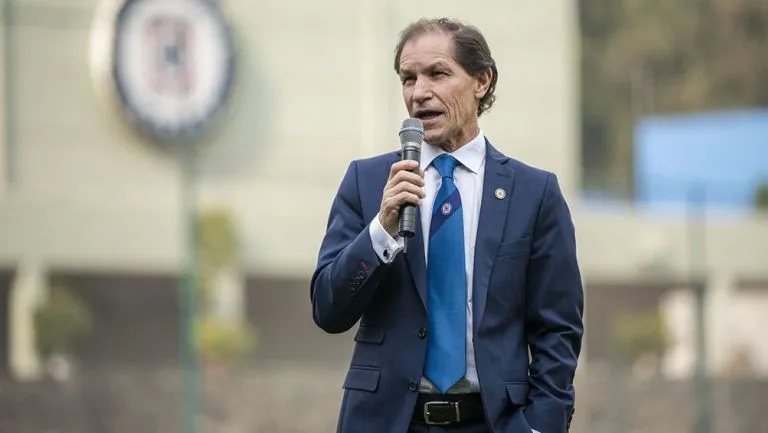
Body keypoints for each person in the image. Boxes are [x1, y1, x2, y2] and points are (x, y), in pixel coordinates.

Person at [310, 17, 583, 433]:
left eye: (437, 73)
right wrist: (381, 231)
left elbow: (557, 330)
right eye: (408, 78)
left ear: (482, 81)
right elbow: (328, 310)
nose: (419, 92)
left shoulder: (535, 193)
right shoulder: (367, 183)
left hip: (495, 422)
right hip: (386, 422)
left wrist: (541, 424)